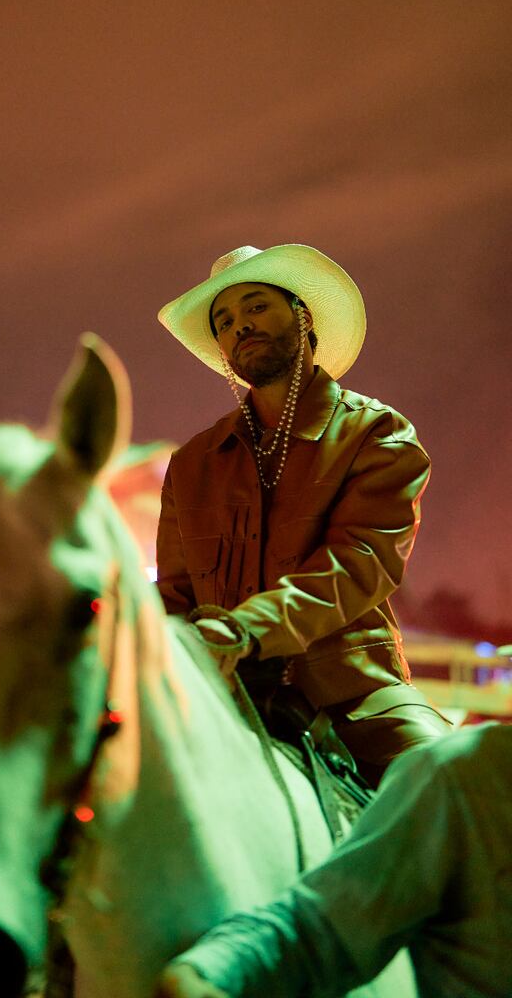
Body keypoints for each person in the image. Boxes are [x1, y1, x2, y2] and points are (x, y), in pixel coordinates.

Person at [156, 243, 449, 783]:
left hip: (354, 698)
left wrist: (246, 630)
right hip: (217, 702)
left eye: (256, 306)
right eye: (224, 321)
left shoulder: (376, 434)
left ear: (303, 316)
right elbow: (173, 596)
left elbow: (361, 562)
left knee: (456, 783)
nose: (239, 325)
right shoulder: (190, 464)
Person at [155, 720, 512, 998]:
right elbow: (319, 929)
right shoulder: (465, 777)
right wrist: (209, 970)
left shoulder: (462, 776)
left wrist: (246, 635)